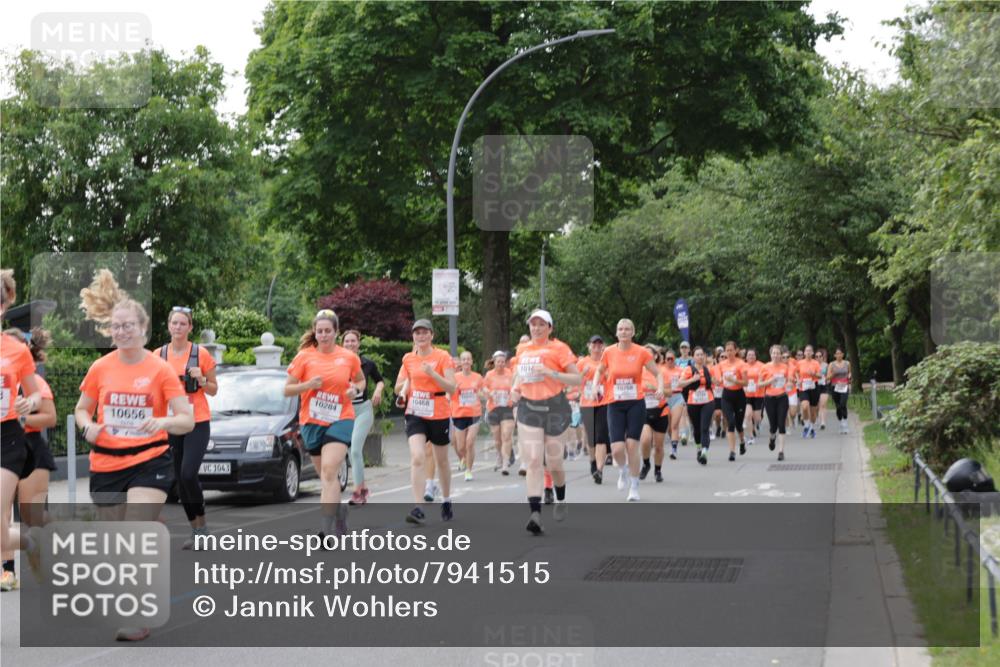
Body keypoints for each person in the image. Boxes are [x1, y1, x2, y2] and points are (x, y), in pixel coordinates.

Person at [74, 269, 194, 642]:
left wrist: (160, 421)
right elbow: (81, 410)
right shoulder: (100, 368)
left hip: (149, 461)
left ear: (143, 328)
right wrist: (86, 427)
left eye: (128, 325)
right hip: (107, 463)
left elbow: (186, 420)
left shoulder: (159, 369)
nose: (122, 331)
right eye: (115, 326)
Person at [285, 310, 364, 538]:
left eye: (328, 331)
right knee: (327, 478)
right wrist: (307, 384)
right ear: (315, 332)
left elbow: (360, 380)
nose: (323, 335)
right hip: (312, 421)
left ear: (336, 332)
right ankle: (340, 512)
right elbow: (287, 389)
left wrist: (354, 389)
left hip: (341, 419)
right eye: (319, 331)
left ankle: (326, 531)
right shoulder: (304, 357)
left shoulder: (348, 357)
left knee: (330, 471)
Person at [510, 310, 581, 534]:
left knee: (553, 463)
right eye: (533, 324)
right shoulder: (522, 349)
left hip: (555, 407)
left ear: (550, 328)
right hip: (528, 407)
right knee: (532, 460)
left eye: (542, 324)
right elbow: (519, 374)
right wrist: (514, 387)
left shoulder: (559, 349)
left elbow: (577, 378)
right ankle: (535, 514)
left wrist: (552, 373)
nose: (537, 328)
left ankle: (560, 498)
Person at [0, 327, 56, 592]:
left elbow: (50, 417)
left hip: (28, 446)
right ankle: (10, 569)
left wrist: (21, 416)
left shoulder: (33, 380)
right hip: (9, 443)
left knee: (31, 514)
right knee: (3, 517)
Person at [159, 306, 218, 550]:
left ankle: (203, 527)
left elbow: (214, 389)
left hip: (197, 421)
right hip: (172, 422)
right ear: (169, 326)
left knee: (188, 473)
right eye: (174, 323)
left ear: (190, 327)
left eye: (183, 324)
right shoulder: (158, 355)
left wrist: (202, 380)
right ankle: (197, 530)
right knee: (180, 482)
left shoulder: (201, 354)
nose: (178, 327)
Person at [0, 270, 44, 584]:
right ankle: (30, 541)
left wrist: (30, 402)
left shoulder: (16, 350)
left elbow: (36, 393)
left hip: (7, 439)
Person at [592, 319, 664, 502]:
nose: (624, 332)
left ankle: (634, 486)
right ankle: (623, 470)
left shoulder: (641, 352)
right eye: (620, 329)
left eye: (627, 329)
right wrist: (594, 386)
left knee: (632, 446)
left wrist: (660, 387)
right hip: (615, 404)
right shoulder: (609, 352)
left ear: (633, 332)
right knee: (616, 449)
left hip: (635, 403)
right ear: (616, 333)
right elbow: (599, 371)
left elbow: (657, 373)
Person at [395, 319, 457, 525]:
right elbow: (397, 386)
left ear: (431, 335)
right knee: (418, 457)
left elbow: (451, 387)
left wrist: (432, 374)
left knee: (442, 461)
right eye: (416, 333)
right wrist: (404, 389)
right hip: (415, 412)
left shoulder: (443, 357)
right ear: (413, 336)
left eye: (424, 333)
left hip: (439, 411)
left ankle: (447, 500)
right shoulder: (408, 359)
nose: (420, 337)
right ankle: (418, 506)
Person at [341, 330, 385, 506]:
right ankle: (363, 487)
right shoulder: (338, 364)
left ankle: (358, 492)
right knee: (351, 451)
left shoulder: (367, 364)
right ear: (342, 344)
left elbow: (380, 380)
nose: (350, 344)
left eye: (353, 341)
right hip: (345, 411)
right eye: (347, 341)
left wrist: (378, 390)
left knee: (355, 450)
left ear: (359, 344)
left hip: (363, 411)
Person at [577, 335, 610, 484]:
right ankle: (592, 461)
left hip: (604, 403)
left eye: (599, 344)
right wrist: (582, 374)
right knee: (591, 438)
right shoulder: (582, 362)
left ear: (603, 347)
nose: (596, 347)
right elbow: (574, 380)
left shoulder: (607, 362)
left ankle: (599, 469)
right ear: (589, 346)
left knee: (601, 437)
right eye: (594, 344)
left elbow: (613, 379)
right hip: (587, 403)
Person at [678, 347, 714, 465]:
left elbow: (715, 381)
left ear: (704, 356)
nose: (700, 357)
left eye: (701, 355)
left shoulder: (708, 368)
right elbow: (680, 383)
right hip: (693, 402)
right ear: (693, 357)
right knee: (697, 428)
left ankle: (704, 452)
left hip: (708, 400)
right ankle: (699, 447)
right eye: (697, 355)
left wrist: (718, 381)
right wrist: (693, 379)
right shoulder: (688, 369)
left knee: (704, 427)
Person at [451, 351, 483, 482]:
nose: (466, 362)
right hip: (459, 414)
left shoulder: (477, 377)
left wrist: (481, 394)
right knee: (460, 446)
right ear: (461, 362)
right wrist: (454, 389)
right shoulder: (454, 377)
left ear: (471, 361)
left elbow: (482, 393)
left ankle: (469, 470)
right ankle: (463, 459)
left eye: (468, 359)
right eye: (463, 359)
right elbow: (449, 395)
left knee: (470, 443)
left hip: (474, 413)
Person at [639, 345, 669, 482]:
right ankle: (646, 464)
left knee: (658, 446)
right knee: (645, 440)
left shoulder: (662, 371)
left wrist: (656, 388)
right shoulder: (638, 371)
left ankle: (658, 470)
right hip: (644, 411)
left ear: (655, 356)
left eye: (649, 354)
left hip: (661, 411)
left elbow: (670, 392)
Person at [483, 351, 515, 474]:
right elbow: (484, 387)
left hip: (507, 407)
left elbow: (515, 387)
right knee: (497, 438)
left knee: (506, 435)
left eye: (502, 362)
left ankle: (505, 464)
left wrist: (512, 393)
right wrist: (489, 393)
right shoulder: (489, 375)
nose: (501, 364)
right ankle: (499, 457)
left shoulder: (510, 374)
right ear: (494, 362)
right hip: (494, 408)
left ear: (505, 363)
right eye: (498, 362)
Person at [760, 344, 794, 460]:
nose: (776, 355)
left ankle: (781, 451)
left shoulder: (785, 367)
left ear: (780, 355)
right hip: (769, 398)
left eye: (778, 353)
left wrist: (789, 384)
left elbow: (790, 381)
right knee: (773, 426)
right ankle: (772, 437)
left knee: (781, 424)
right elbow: (759, 384)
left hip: (782, 397)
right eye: (773, 353)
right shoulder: (765, 367)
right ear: (770, 355)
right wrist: (769, 381)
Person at [717, 341, 748, 462]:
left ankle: (742, 441)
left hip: (739, 395)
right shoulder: (722, 364)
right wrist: (717, 380)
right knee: (731, 422)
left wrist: (734, 380)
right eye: (727, 350)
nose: (729, 352)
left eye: (731, 350)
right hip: (726, 395)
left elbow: (745, 382)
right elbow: (719, 378)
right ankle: (732, 451)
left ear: (736, 351)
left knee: (739, 425)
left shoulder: (741, 364)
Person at [660, 349, 686, 461]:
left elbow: (684, 382)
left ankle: (674, 450)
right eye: (668, 359)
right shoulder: (660, 370)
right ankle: (672, 440)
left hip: (677, 397)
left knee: (674, 425)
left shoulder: (680, 370)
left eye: (672, 358)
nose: (670, 361)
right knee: (668, 426)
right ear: (665, 360)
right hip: (665, 398)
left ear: (675, 359)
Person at [797, 345, 822, 438]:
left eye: (810, 351)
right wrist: (798, 379)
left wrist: (814, 374)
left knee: (813, 412)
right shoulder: (800, 363)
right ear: (804, 353)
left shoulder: (815, 363)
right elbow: (796, 372)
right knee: (804, 406)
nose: (808, 352)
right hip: (803, 387)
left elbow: (820, 376)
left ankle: (811, 428)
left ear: (812, 353)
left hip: (814, 387)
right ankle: (806, 425)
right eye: (806, 351)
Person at [742, 348, 765, 446]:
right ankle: (751, 437)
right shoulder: (743, 366)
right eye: (749, 355)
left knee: (757, 417)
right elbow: (740, 379)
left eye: (753, 355)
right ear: (746, 357)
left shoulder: (761, 366)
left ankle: (756, 424)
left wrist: (760, 383)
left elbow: (765, 377)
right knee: (748, 415)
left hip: (758, 394)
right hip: (747, 395)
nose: (751, 356)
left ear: (756, 356)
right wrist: (744, 388)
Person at [827, 347, 852, 434]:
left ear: (843, 354)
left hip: (844, 386)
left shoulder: (847, 363)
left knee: (843, 404)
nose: (839, 355)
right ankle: (840, 422)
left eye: (840, 353)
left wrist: (849, 376)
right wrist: (833, 374)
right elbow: (827, 377)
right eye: (837, 353)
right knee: (838, 406)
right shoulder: (831, 364)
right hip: (835, 387)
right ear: (834, 355)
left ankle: (845, 422)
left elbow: (849, 372)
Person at [816, 348, 830, 430]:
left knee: (823, 404)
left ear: (822, 357)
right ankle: (818, 418)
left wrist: (827, 379)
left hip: (824, 386)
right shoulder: (813, 365)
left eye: (820, 356)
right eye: (816, 356)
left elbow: (829, 376)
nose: (818, 358)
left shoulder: (826, 365)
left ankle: (823, 422)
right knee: (818, 405)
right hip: (816, 386)